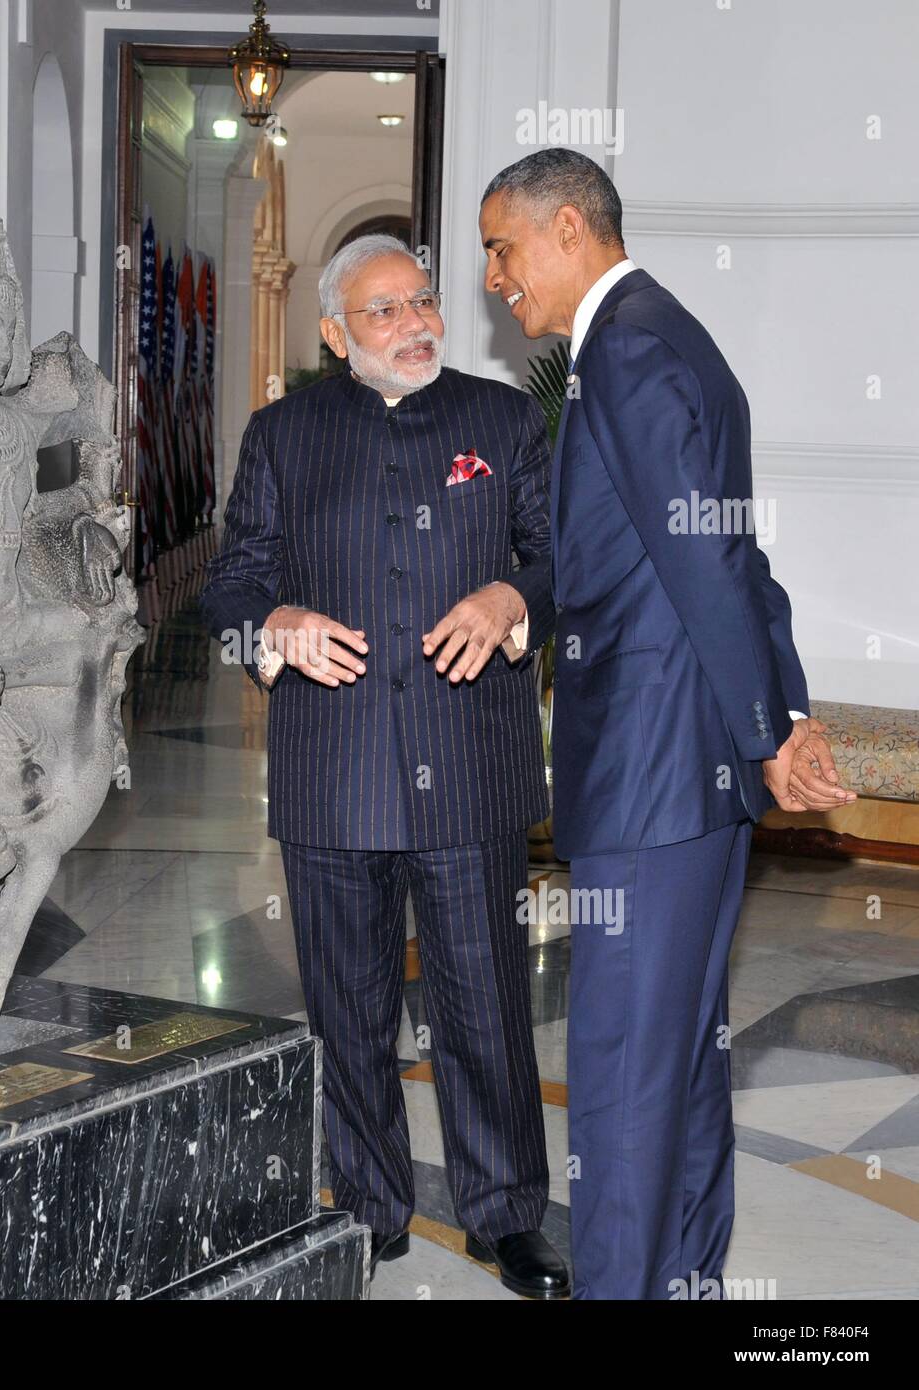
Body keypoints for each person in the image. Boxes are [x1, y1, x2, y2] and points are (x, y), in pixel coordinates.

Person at [480, 147, 853, 1299]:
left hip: (650, 768)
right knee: (681, 1056)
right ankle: (684, 1279)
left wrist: (768, 731)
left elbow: (704, 562)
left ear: (568, 230)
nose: (496, 278)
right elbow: (738, 554)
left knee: (623, 1074)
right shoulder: (674, 336)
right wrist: (778, 708)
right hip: (690, 770)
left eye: (502, 248)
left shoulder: (628, 349)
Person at [200, 234, 570, 1297]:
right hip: (335, 766)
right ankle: (369, 1203)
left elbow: (560, 561)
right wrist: (274, 621)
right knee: (348, 1004)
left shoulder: (502, 422)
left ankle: (505, 1215)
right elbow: (229, 585)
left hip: (470, 763)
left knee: (483, 1000)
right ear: (333, 333)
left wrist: (513, 601)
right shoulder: (281, 435)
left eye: (421, 302)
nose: (413, 325)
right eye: (381, 311)